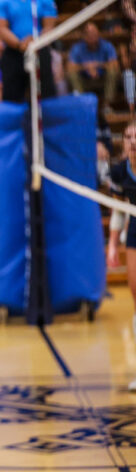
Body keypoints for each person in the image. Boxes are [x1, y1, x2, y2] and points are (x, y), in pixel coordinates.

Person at [107, 122, 136, 389]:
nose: (133, 141)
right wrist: (113, 244)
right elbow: (118, 209)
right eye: (128, 136)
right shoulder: (118, 172)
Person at [0, 0, 57, 102]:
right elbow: (0, 27)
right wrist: (19, 45)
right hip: (14, 52)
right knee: (12, 99)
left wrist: (36, 43)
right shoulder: (1, 1)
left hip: (39, 50)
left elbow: (49, 25)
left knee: (45, 96)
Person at [67, 22, 119, 112]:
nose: (92, 36)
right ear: (84, 36)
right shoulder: (77, 48)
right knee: (72, 74)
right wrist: (86, 67)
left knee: (113, 71)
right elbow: (69, 68)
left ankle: (107, 105)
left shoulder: (107, 45)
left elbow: (115, 65)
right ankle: (83, 104)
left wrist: (98, 65)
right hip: (85, 81)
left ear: (98, 33)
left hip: (102, 79)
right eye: (89, 34)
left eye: (94, 33)